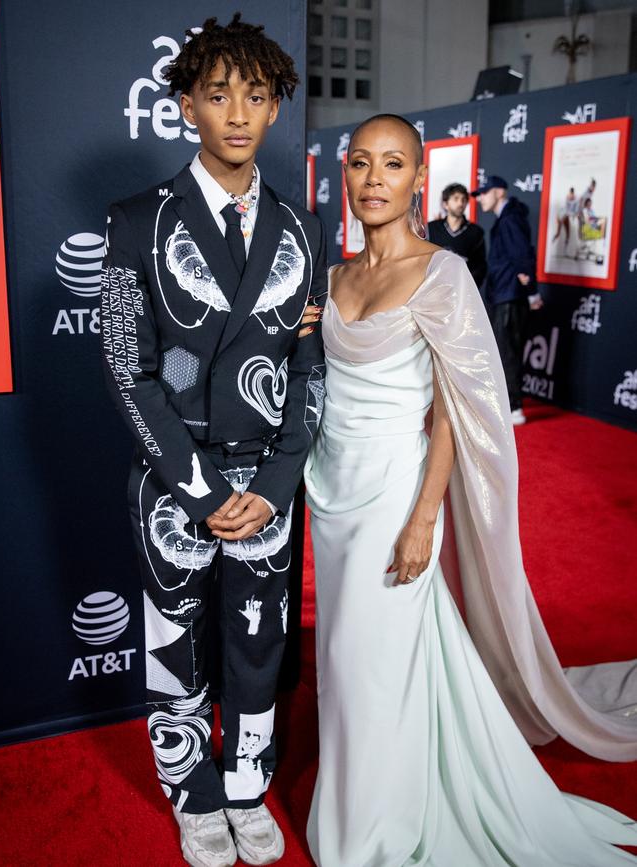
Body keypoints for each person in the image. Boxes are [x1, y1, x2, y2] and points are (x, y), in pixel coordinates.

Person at [302, 113, 637, 867]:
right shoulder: (332, 277)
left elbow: (457, 406)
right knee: (350, 658)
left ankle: (373, 826)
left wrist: (426, 515)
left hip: (395, 488)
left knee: (371, 654)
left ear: (420, 178)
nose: (374, 179)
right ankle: (372, 792)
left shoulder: (442, 272)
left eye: (393, 164)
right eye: (361, 163)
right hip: (332, 488)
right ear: (344, 176)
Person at [100, 15, 326, 867]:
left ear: (275, 111)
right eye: (219, 93)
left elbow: (310, 373)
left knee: (259, 640)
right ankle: (193, 792)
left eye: (256, 96)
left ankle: (247, 785)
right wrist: (199, 487)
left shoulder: (302, 231)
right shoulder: (134, 221)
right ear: (186, 103)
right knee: (178, 641)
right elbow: (129, 372)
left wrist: (273, 482)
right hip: (174, 483)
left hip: (267, 482)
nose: (237, 112)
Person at [471, 175, 542, 426]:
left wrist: (531, 291)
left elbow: (523, 257)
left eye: (484, 193)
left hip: (509, 295)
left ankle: (514, 407)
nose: (480, 198)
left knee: (507, 352)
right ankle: (507, 403)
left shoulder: (511, 218)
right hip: (501, 293)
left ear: (499, 192)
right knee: (501, 350)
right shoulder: (506, 218)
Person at [427, 182, 487, 288]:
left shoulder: (476, 232)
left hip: (462, 292)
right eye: (456, 199)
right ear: (445, 204)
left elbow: (479, 267)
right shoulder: (431, 228)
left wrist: (468, 288)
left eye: (464, 200)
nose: (460, 203)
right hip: (434, 290)